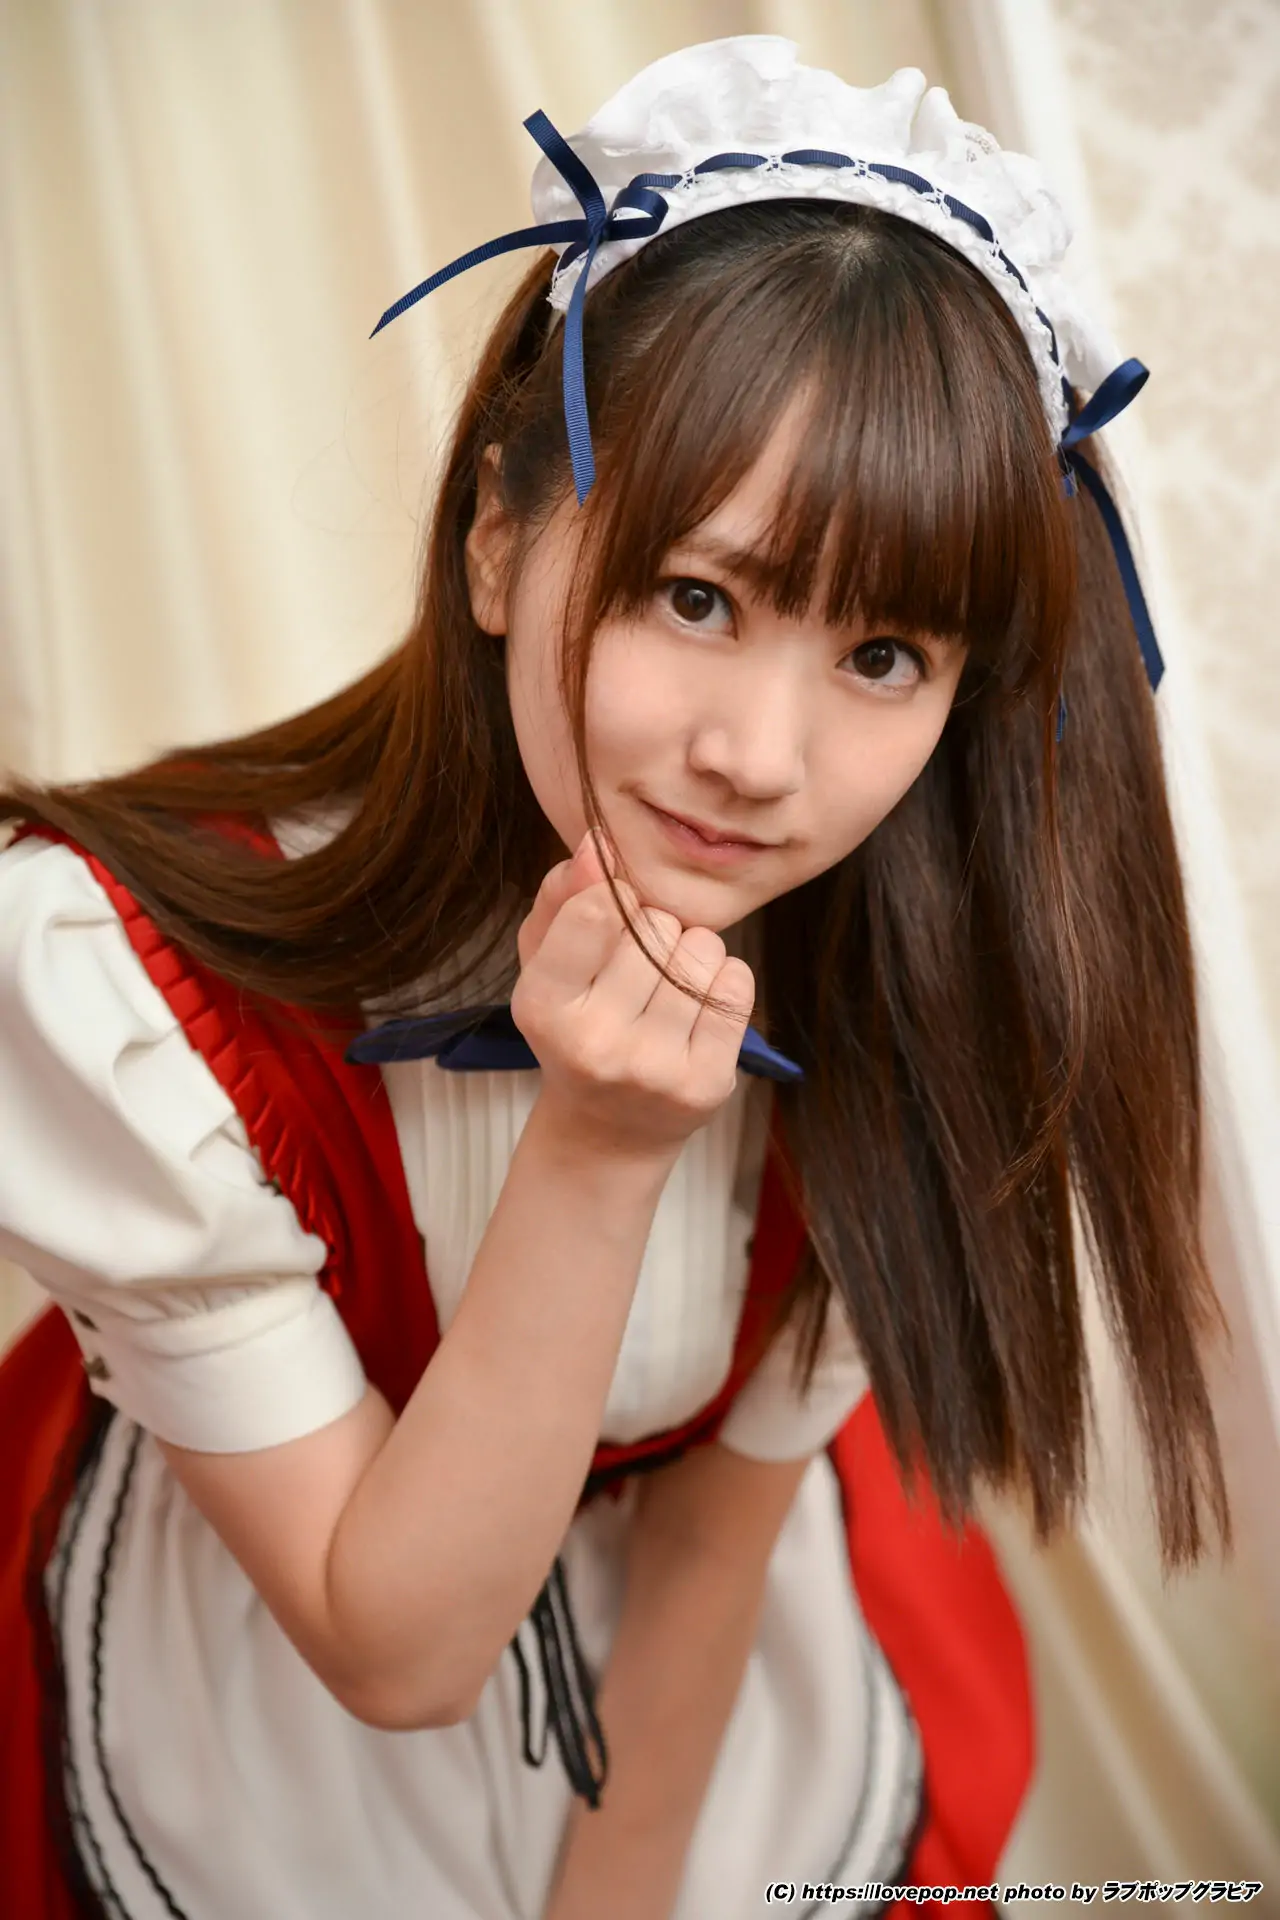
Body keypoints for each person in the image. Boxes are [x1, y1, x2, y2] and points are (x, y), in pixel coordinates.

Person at [0, 35, 1229, 1920]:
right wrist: (597, 1148)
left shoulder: (900, 962)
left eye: (884, 657)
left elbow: (717, 1548)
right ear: (500, 537)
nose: (761, 757)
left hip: (680, 1700)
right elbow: (392, 1647)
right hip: (264, 1694)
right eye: (696, 595)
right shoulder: (120, 980)